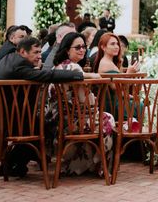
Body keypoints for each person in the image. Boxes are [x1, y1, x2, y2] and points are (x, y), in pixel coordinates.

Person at [0, 37, 100, 176]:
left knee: (42, 122)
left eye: (40, 51)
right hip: (2, 119)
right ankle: (12, 164)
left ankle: (15, 164)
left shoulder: (11, 58)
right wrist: (81, 75)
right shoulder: (20, 66)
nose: (40, 55)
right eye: (36, 52)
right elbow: (47, 75)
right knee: (46, 127)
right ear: (22, 51)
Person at [45, 32, 115, 176]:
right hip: (70, 123)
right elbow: (85, 103)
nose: (82, 50)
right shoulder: (74, 68)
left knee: (96, 117)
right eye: (77, 47)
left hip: (55, 122)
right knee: (108, 118)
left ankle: (81, 165)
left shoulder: (58, 66)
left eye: (84, 46)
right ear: (66, 50)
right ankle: (99, 164)